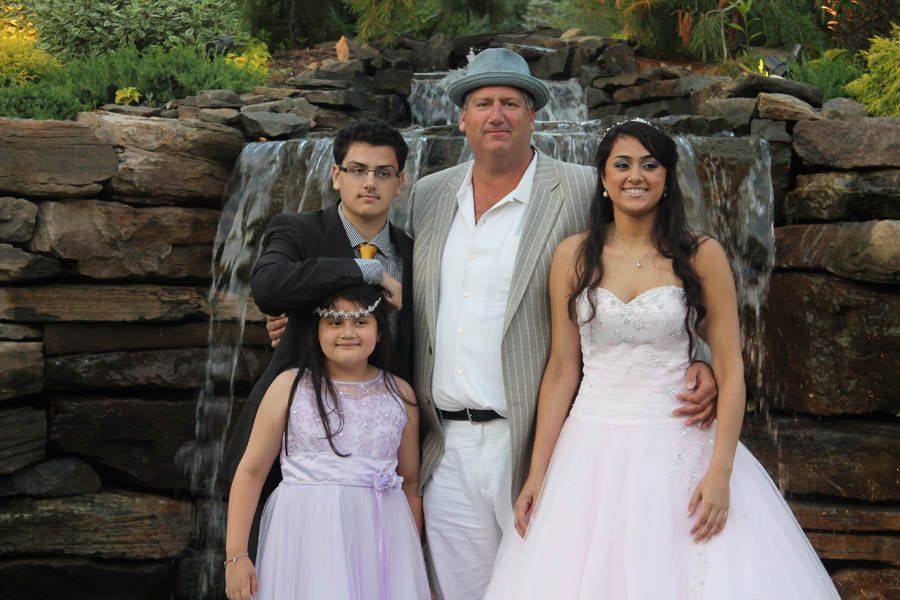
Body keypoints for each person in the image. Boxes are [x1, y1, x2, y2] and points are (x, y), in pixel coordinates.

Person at [483, 119, 841, 599]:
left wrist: (720, 473)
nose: (637, 175)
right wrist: (538, 473)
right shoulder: (572, 256)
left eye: (651, 165)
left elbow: (732, 368)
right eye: (623, 164)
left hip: (680, 444)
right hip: (589, 446)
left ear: (668, 177)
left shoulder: (701, 254)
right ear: (604, 179)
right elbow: (562, 369)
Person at [407, 49, 718, 599]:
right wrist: (304, 308)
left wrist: (699, 359)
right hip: (447, 446)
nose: (496, 114)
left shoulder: (581, 187)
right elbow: (386, 274)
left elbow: (663, 262)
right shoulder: (430, 195)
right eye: (483, 103)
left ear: (533, 116)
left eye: (511, 102)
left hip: (540, 440)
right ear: (461, 116)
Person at [221, 118, 414, 557]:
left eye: (383, 173)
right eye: (357, 170)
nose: (370, 182)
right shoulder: (296, 230)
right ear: (335, 175)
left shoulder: (414, 251)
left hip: (379, 460)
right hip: (293, 457)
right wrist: (367, 270)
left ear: (399, 182)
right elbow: (268, 287)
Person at [224, 284, 430, 600]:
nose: (348, 332)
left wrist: (411, 568)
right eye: (335, 322)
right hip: (307, 541)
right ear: (316, 329)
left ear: (379, 330)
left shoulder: (400, 394)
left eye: (361, 321)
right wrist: (236, 555)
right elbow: (251, 471)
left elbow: (410, 483)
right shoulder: (289, 387)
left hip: (379, 542)